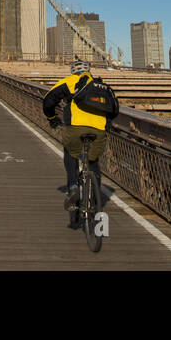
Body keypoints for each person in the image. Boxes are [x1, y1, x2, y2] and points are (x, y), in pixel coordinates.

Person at [42, 58, 109, 229]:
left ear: (73, 71)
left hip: (76, 128)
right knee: (93, 161)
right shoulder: (101, 85)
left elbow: (48, 101)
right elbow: (113, 108)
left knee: (70, 152)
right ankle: (95, 197)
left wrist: (52, 118)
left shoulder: (70, 82)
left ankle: (72, 187)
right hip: (99, 130)